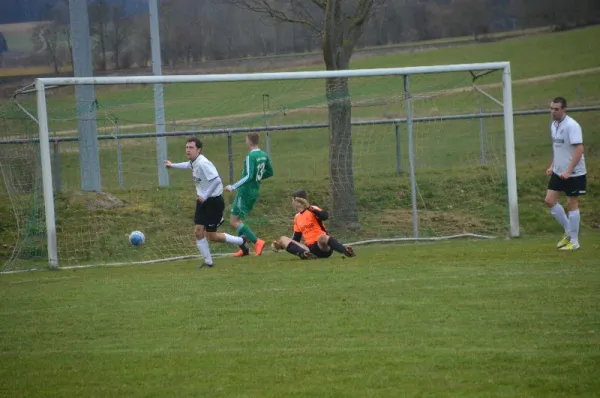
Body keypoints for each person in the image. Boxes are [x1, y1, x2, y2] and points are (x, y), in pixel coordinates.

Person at [165, 137, 249, 267]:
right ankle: (208, 262)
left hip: (214, 201)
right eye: (187, 147)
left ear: (199, 150)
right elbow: (188, 165)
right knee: (198, 231)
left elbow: (217, 180)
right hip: (202, 201)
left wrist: (206, 194)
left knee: (212, 236)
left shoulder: (203, 163)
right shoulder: (194, 161)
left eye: (191, 147)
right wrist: (172, 165)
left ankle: (241, 241)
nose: (188, 150)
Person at [544, 97, 587, 251]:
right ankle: (569, 233)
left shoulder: (572, 125)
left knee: (571, 203)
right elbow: (559, 149)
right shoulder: (554, 125)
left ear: (564, 109)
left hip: (574, 172)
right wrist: (552, 166)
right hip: (558, 171)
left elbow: (579, 149)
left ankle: (574, 242)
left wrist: (569, 170)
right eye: (551, 108)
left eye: (556, 109)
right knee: (549, 201)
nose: (553, 112)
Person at [224, 132, 274, 257]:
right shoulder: (263, 155)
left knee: (234, 220)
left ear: (250, 142)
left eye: (246, 140)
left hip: (245, 191)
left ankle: (257, 242)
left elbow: (248, 175)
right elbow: (270, 172)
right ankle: (244, 249)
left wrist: (233, 186)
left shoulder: (250, 156)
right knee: (239, 220)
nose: (245, 142)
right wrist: (258, 178)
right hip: (255, 190)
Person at [271, 189, 356, 259]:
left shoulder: (312, 209)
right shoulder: (297, 217)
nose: (291, 203)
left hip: (322, 246)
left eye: (292, 201)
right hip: (310, 249)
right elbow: (296, 239)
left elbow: (325, 216)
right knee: (282, 238)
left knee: (322, 237)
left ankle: (346, 251)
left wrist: (309, 207)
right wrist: (281, 245)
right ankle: (305, 254)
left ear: (297, 201)